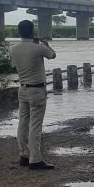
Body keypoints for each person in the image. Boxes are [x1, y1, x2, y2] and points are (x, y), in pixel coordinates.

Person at [9, 20, 58, 170]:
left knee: (23, 123)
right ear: (32, 31)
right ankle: (35, 159)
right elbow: (52, 55)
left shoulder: (12, 49)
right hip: (36, 90)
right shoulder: (39, 48)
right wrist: (45, 44)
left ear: (19, 32)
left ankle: (24, 154)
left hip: (22, 89)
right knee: (35, 125)